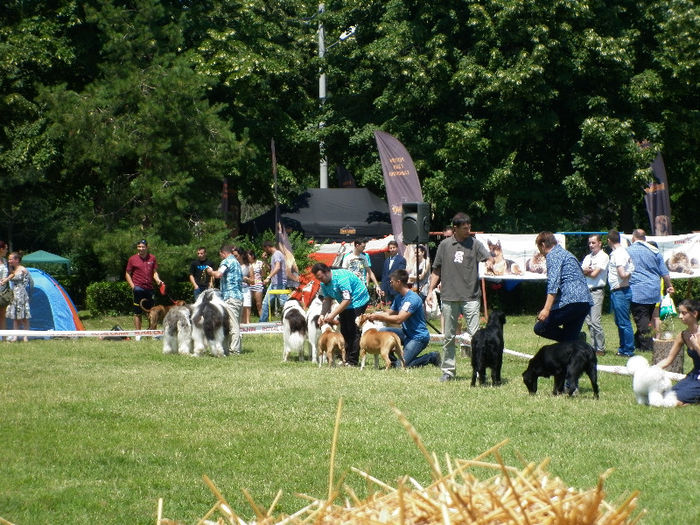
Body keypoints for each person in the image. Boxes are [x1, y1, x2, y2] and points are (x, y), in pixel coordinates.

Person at [426, 212, 494, 382]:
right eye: (465, 228)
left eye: (469, 227)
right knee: (448, 337)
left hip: (471, 297)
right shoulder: (444, 245)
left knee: (476, 337)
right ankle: (448, 371)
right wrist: (430, 291)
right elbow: (436, 270)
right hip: (449, 297)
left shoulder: (475, 244)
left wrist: (491, 262)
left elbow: (488, 258)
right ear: (455, 228)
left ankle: (479, 371)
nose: (468, 230)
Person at [368, 269, 440, 367]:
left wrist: (379, 317)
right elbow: (391, 313)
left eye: (392, 282)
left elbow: (399, 319)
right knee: (382, 331)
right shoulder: (399, 297)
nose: (390, 284)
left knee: (400, 366)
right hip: (406, 333)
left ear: (398, 282)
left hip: (418, 337)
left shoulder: (412, 299)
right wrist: (375, 314)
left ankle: (431, 357)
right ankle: (393, 361)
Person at [533, 231, 592, 343]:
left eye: (539, 248)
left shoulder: (553, 255)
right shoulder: (567, 254)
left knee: (540, 328)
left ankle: (576, 340)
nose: (541, 252)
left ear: (543, 245)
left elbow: (553, 284)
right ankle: (575, 342)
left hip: (570, 302)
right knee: (569, 343)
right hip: (584, 302)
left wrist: (546, 309)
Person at [312, 262, 370, 366]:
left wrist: (332, 314)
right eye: (318, 279)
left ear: (327, 272)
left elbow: (347, 299)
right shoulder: (323, 283)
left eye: (321, 277)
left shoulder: (341, 278)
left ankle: (352, 361)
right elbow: (327, 299)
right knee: (344, 329)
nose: (320, 281)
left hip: (358, 300)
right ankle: (345, 358)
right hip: (344, 302)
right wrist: (322, 314)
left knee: (353, 330)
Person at [627, 229, 674, 352]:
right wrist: (669, 286)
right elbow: (664, 272)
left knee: (642, 319)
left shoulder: (628, 251)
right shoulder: (655, 251)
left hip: (638, 289)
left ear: (633, 238)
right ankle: (638, 341)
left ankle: (647, 346)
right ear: (645, 238)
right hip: (654, 289)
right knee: (646, 318)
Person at [655, 298, 700, 405]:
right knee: (665, 394)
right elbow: (668, 359)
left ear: (695, 313)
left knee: (674, 401)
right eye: (679, 313)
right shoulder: (683, 335)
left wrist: (696, 345)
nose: (680, 316)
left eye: (684, 313)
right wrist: (652, 369)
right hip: (693, 376)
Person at [206, 244, 243, 355]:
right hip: (239, 297)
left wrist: (210, 272)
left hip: (230, 298)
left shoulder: (226, 261)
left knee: (232, 326)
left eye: (220, 254)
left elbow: (218, 274)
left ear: (223, 253)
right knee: (235, 324)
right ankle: (228, 349)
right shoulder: (237, 263)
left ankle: (234, 350)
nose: (220, 257)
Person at [607, 229, 636, 357]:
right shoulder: (621, 252)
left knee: (624, 322)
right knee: (620, 322)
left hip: (621, 292)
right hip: (618, 291)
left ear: (609, 240)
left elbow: (622, 274)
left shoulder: (618, 254)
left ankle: (628, 349)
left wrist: (629, 271)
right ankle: (623, 348)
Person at [125, 239, 163, 333]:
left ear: (147, 247)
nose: (141, 249)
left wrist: (158, 280)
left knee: (152, 312)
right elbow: (127, 273)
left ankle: (152, 333)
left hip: (149, 289)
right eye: (139, 247)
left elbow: (154, 273)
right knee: (137, 312)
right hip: (138, 288)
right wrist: (133, 286)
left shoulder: (152, 258)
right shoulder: (132, 259)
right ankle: (138, 334)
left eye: (143, 247)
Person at [581, 234, 608, 355]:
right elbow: (581, 271)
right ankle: (592, 347)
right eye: (590, 243)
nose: (591, 245)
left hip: (597, 291)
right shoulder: (587, 257)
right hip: (586, 291)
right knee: (588, 321)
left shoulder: (604, 257)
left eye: (593, 243)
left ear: (600, 243)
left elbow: (594, 274)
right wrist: (588, 270)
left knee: (595, 321)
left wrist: (588, 270)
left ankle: (600, 348)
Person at [4, 252, 31, 342]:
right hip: (14, 294)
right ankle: (15, 336)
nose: (9, 261)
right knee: (15, 317)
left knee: (24, 317)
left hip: (21, 295)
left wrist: (22, 295)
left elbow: (27, 283)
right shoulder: (13, 270)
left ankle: (25, 337)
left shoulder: (23, 270)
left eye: (11, 259)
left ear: (17, 260)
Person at [259, 240, 287, 322]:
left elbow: (277, 267)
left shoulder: (277, 254)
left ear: (268, 247)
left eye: (265, 249)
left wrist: (268, 277)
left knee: (284, 304)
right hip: (274, 284)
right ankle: (262, 323)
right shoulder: (273, 256)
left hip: (280, 284)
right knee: (265, 303)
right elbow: (271, 269)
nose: (265, 251)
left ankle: (289, 320)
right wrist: (264, 260)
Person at [380, 240, 406, 305]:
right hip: (387, 289)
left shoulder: (401, 259)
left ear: (397, 248)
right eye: (390, 248)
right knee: (390, 308)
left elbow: (400, 274)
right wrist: (382, 288)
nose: (392, 249)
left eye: (393, 247)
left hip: (396, 288)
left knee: (398, 307)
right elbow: (384, 275)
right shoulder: (386, 260)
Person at [235, 248, 253, 324]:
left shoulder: (248, 266)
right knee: (239, 307)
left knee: (247, 305)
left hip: (246, 289)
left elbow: (253, 281)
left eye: (236, 256)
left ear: (241, 255)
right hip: (236, 289)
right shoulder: (234, 265)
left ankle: (248, 323)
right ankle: (241, 324)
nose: (235, 257)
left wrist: (246, 279)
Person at [247, 249, 265, 318]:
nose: (247, 257)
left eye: (248, 256)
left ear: (252, 256)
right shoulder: (247, 264)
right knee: (248, 304)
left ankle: (263, 320)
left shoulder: (259, 263)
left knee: (258, 304)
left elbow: (263, 274)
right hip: (249, 285)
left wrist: (263, 267)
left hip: (258, 284)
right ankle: (247, 321)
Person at [0, 240, 9, 339]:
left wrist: (7, 279)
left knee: (2, 315)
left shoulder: (6, 261)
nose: (7, 250)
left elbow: (11, 273)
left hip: (3, 291)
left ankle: (4, 338)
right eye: (6, 248)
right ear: (1, 249)